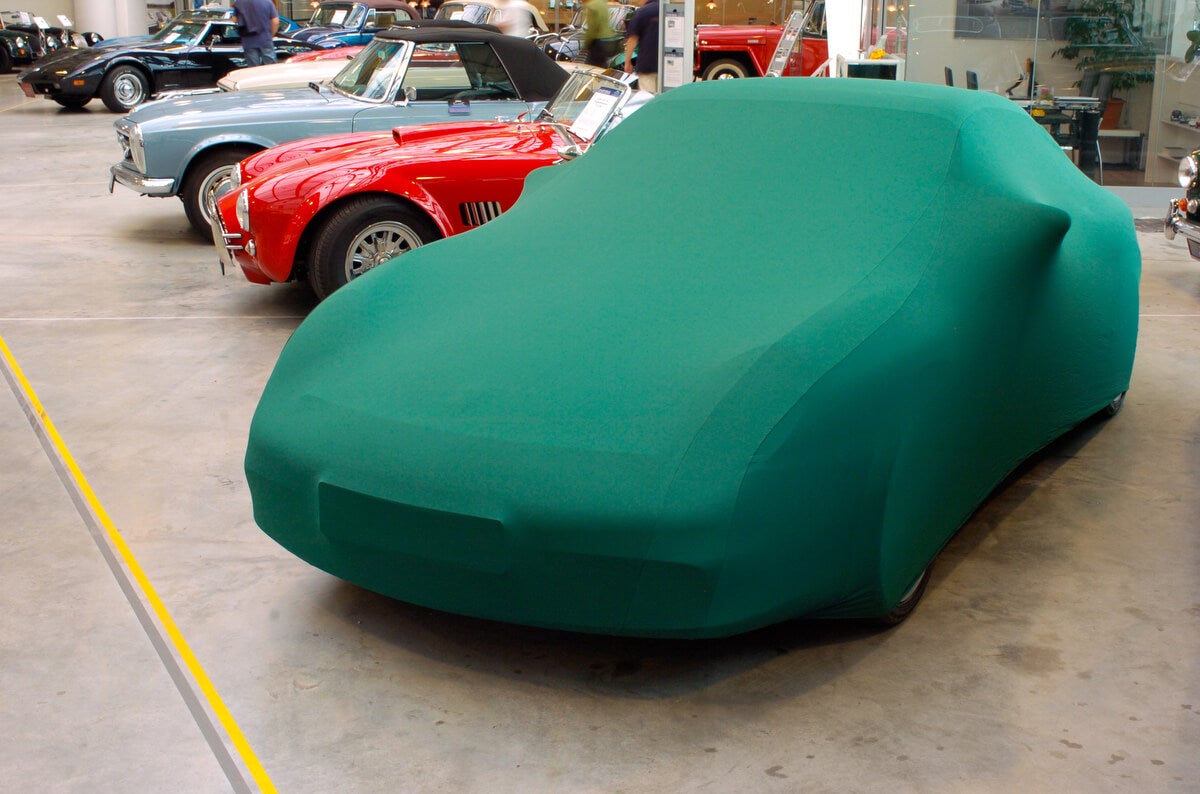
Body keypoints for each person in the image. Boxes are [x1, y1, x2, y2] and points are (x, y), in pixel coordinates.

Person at [623, 0, 659, 94]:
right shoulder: (668, 9)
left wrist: (627, 62)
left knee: (647, 98)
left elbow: (632, 39)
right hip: (669, 67)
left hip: (647, 65)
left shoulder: (642, 12)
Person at [232, 0, 280, 67]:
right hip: (265, 39)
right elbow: (275, 21)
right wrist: (271, 35)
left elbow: (234, 19)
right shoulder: (267, 2)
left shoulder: (239, 2)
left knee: (253, 68)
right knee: (270, 67)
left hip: (248, 40)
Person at [581, 0, 615, 67]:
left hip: (597, 40)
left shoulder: (591, 6)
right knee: (601, 65)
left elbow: (592, 27)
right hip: (607, 38)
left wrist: (586, 42)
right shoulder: (602, 3)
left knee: (591, 67)